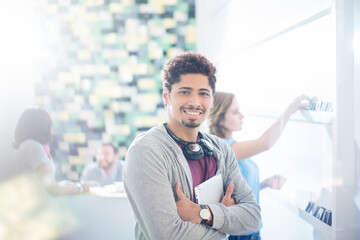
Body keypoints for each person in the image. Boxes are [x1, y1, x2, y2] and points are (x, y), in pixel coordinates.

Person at [124, 52, 261, 240]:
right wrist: (225, 223)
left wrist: (201, 213)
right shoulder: (146, 151)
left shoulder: (221, 150)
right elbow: (167, 236)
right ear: (166, 96)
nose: (195, 102)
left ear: (212, 100)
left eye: (203, 94)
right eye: (184, 92)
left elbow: (252, 217)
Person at [208, 92, 310, 240]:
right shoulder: (226, 149)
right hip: (240, 232)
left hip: (251, 229)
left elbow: (238, 191)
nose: (241, 116)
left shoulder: (234, 147)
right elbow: (265, 143)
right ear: (219, 119)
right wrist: (289, 110)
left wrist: (264, 184)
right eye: (235, 112)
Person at [13, 106, 91, 195]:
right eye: (49, 125)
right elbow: (52, 188)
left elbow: (42, 183)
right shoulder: (33, 147)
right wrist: (80, 189)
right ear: (41, 127)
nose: (50, 129)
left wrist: (65, 185)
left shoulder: (25, 146)